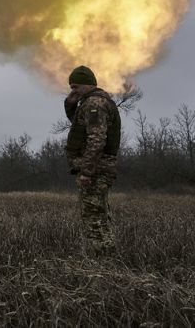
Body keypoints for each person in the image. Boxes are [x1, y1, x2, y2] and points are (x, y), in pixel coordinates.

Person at [64, 65, 121, 255]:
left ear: (87, 85)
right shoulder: (93, 102)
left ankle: (103, 261)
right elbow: (79, 125)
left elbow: (96, 139)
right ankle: (109, 258)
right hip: (100, 168)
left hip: (96, 170)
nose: (73, 90)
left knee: (93, 216)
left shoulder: (94, 104)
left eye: (75, 87)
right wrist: (70, 104)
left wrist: (87, 171)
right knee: (100, 214)